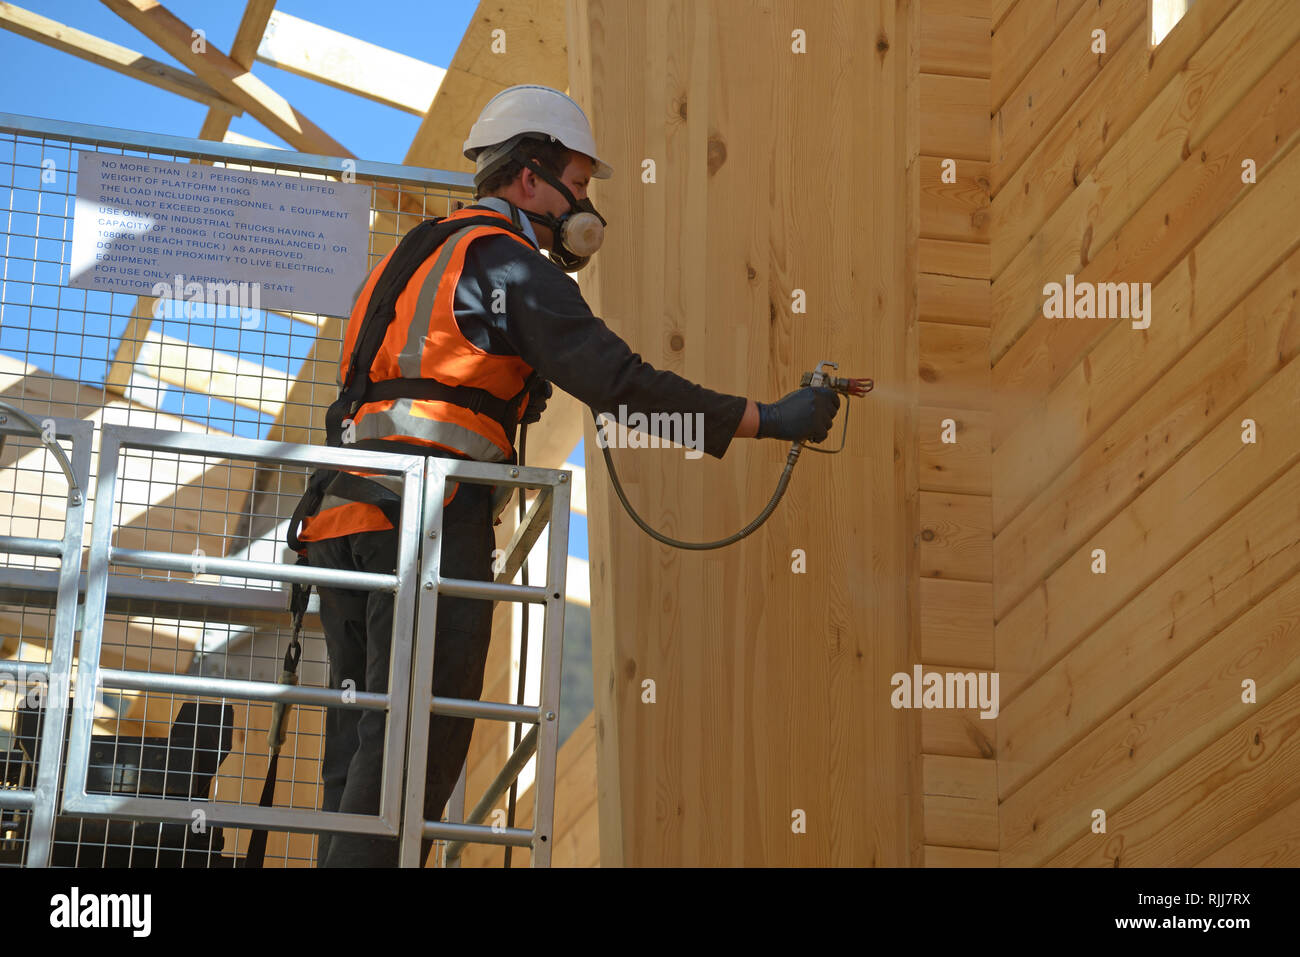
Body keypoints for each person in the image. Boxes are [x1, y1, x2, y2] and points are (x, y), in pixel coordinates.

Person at [289, 84, 840, 867]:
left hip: (342, 526)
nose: (586, 207)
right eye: (578, 186)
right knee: (412, 755)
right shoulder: (506, 264)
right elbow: (622, 382)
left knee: (357, 757)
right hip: (429, 524)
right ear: (527, 179)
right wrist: (766, 418)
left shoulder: (408, 258)